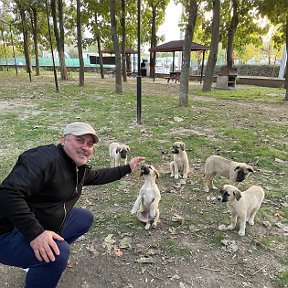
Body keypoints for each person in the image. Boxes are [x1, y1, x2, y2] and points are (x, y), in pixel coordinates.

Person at [0, 122, 145, 288]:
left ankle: (38, 261)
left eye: (90, 144)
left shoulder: (76, 168)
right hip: (6, 231)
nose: (85, 147)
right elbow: (8, 193)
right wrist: (36, 234)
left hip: (33, 219)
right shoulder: (42, 159)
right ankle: (44, 259)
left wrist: (127, 168)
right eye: (79, 140)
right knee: (59, 254)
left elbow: (97, 176)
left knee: (83, 218)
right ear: (63, 140)